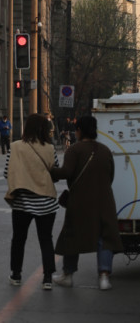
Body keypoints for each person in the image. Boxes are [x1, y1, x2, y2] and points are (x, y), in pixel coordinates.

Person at [51, 113, 123, 291]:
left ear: (80, 130)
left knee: (72, 235)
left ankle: (68, 275)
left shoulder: (74, 150)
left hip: (80, 201)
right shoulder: (105, 150)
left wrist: (50, 169)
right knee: (103, 237)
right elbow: (110, 175)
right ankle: (104, 277)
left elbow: (66, 172)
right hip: (105, 200)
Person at [4, 112, 58, 290]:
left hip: (22, 202)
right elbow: (55, 173)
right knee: (46, 239)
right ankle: (48, 278)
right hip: (46, 202)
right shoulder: (50, 149)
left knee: (19, 239)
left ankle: (16, 274)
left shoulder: (16, 147)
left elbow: (7, 172)